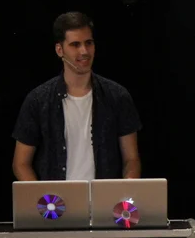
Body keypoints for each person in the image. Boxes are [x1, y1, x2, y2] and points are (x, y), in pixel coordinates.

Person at [12, 11, 141, 182]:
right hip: (56, 198)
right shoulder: (38, 100)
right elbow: (21, 163)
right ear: (59, 50)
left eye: (88, 43)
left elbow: (131, 159)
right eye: (75, 44)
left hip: (104, 198)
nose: (84, 51)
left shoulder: (117, 96)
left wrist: (126, 188)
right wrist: (45, 197)